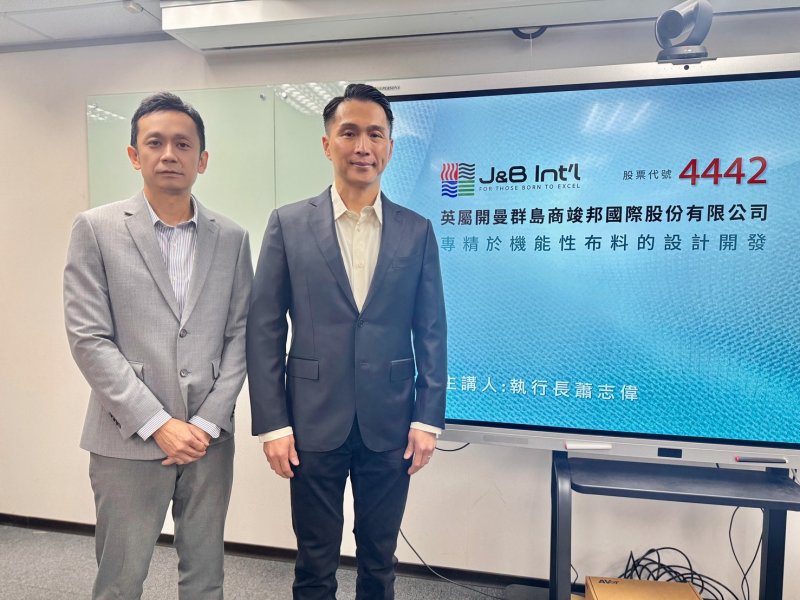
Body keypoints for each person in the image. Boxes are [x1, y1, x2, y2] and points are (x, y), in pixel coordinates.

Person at [246, 83, 448, 599]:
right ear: (327, 143)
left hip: (391, 420)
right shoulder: (288, 225)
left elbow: (431, 329)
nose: (362, 146)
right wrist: (273, 423)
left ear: (389, 148)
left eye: (375, 135)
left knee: (380, 558)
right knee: (314, 560)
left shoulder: (417, 231)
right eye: (349, 133)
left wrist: (427, 418)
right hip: (312, 419)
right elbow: (265, 328)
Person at [63, 91, 252, 599]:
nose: (170, 154)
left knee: (205, 577)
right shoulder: (96, 229)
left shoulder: (232, 238)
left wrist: (206, 423)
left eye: (183, 144)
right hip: (127, 438)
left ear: (202, 159)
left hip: (209, 442)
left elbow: (240, 336)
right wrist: (158, 424)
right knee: (121, 580)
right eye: (155, 142)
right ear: (134, 155)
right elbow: (89, 338)